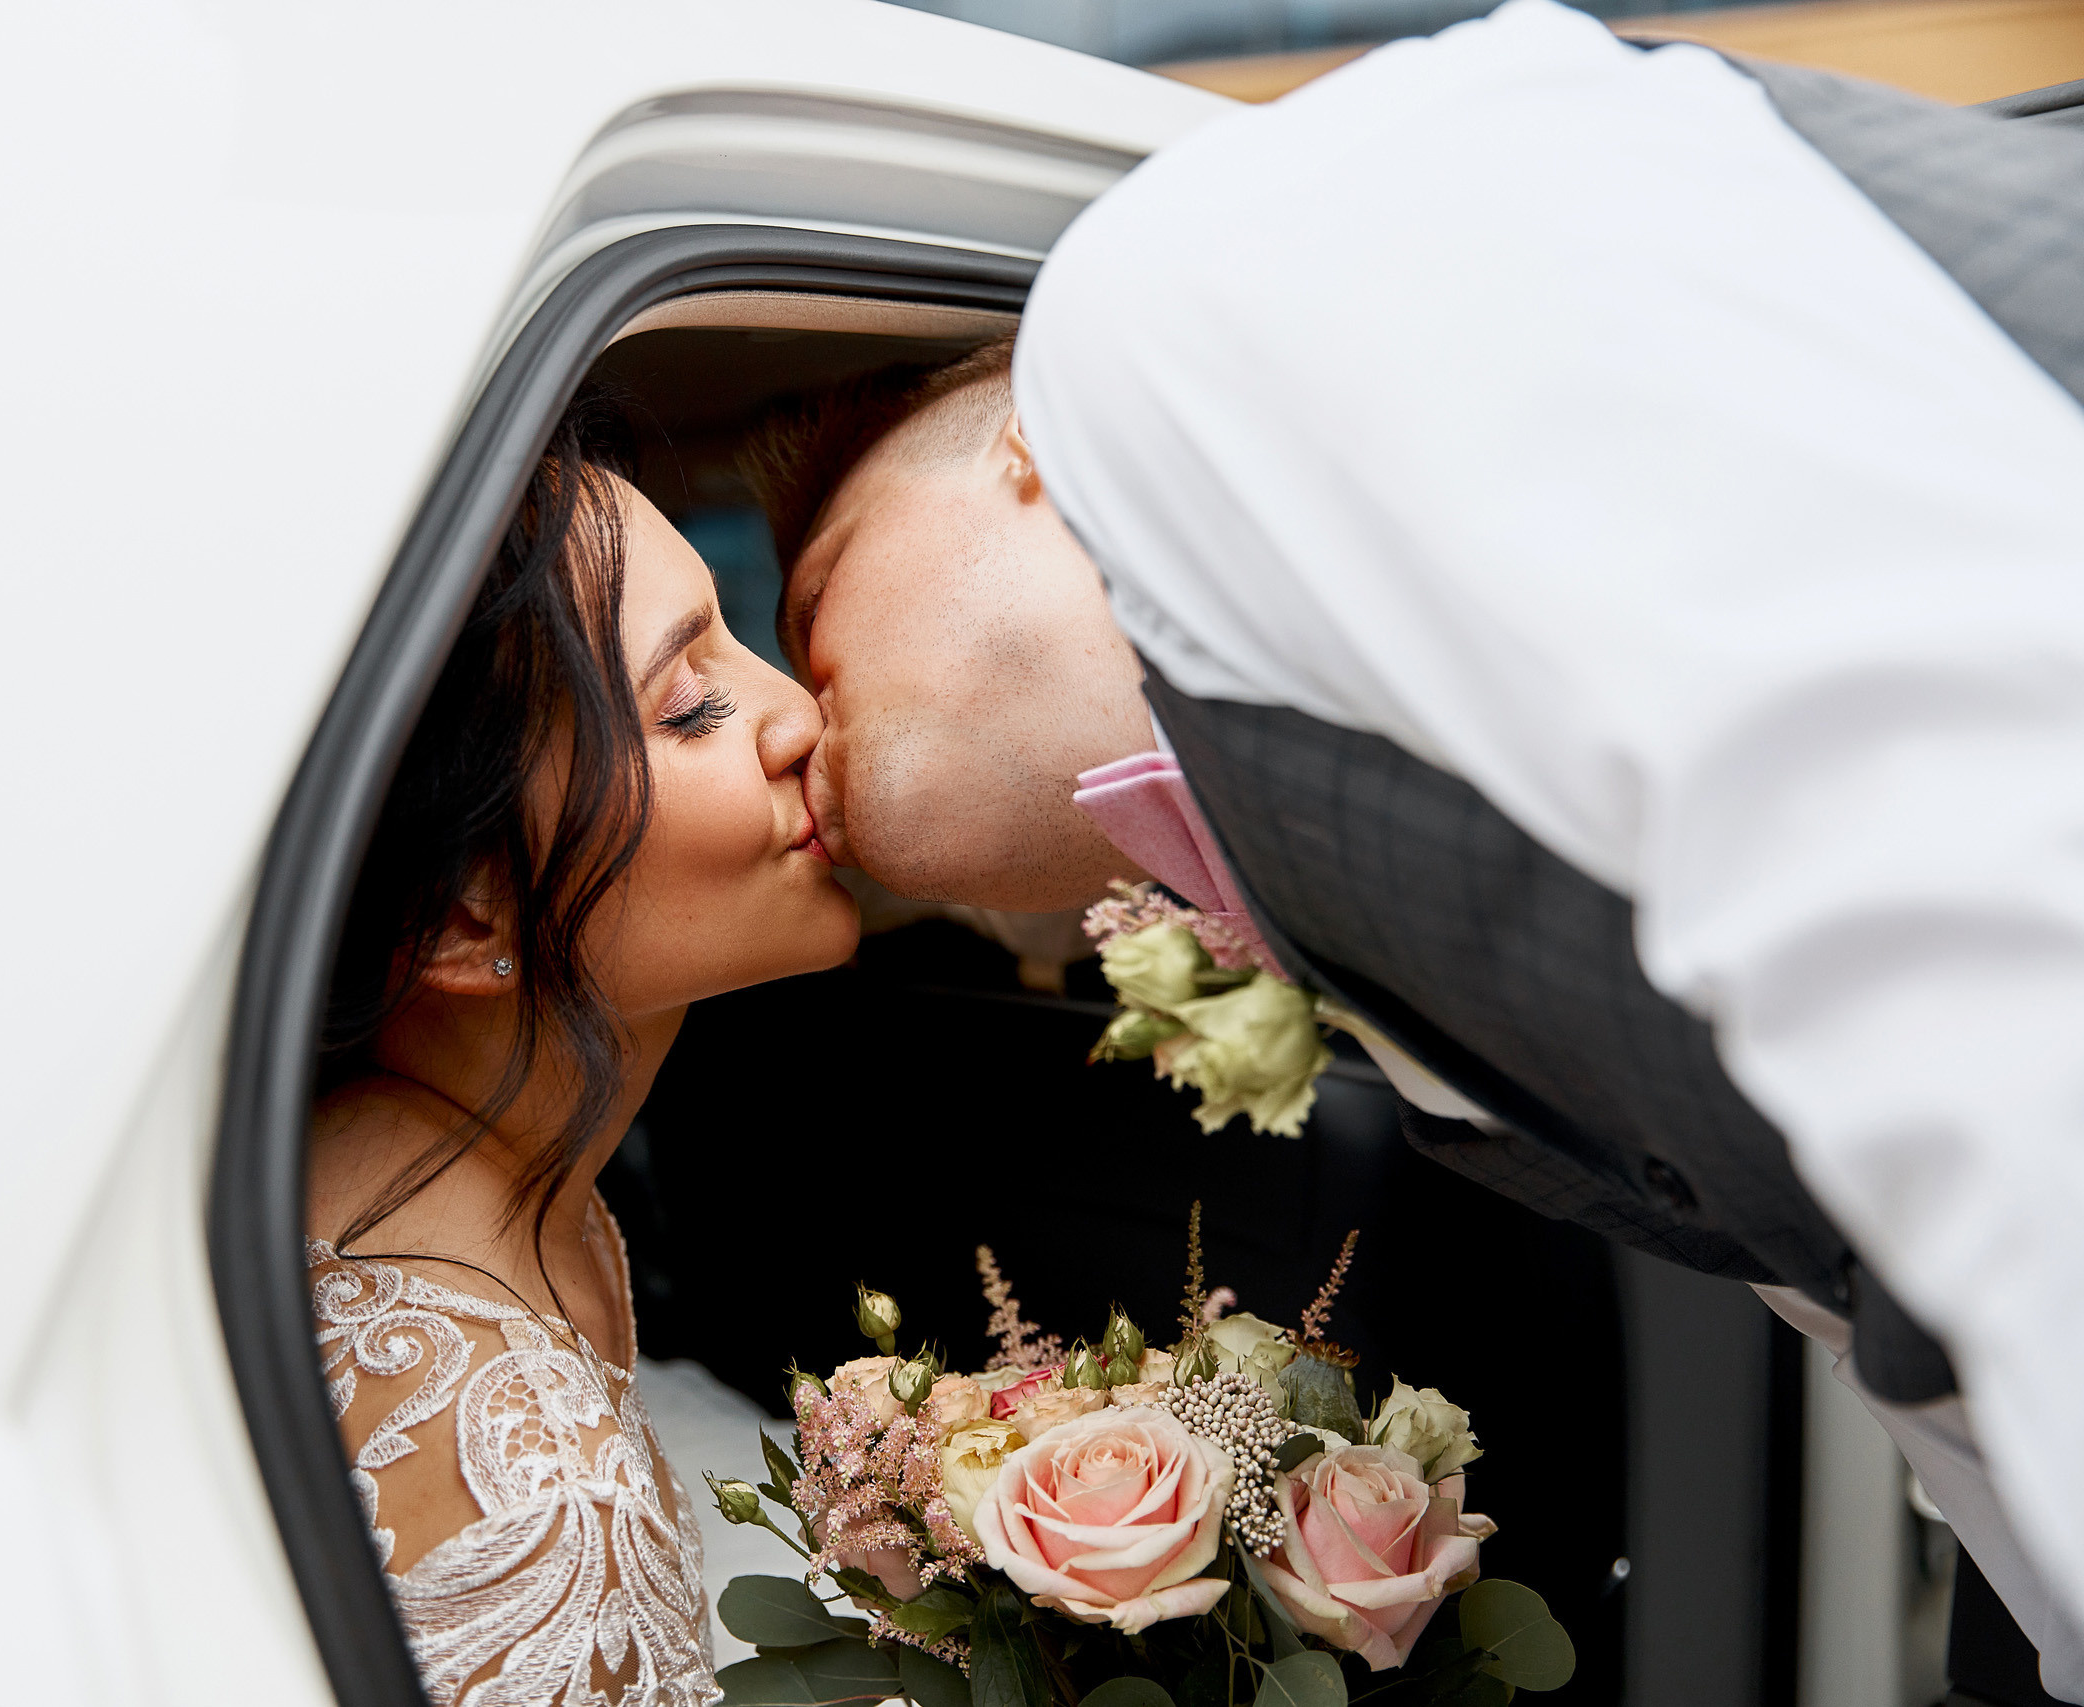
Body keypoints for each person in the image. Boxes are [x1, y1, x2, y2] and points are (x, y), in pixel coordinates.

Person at [747, 5, 2084, 1698]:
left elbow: (1940, 858)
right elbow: (1847, 1286)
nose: (788, 709)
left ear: (1015, 449)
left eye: (811, 598)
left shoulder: (1169, 308)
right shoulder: (1305, 855)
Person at [307, 396, 858, 1707]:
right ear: (460, 915)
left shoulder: (476, 1167)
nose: (795, 719)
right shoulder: (534, 1490)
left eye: (743, 636)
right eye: (691, 706)